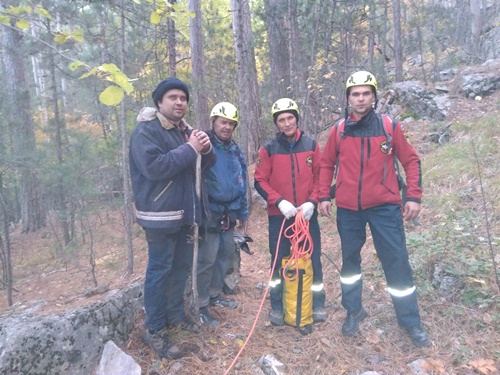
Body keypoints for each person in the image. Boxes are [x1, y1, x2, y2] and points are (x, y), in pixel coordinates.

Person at [318, 71, 430, 347]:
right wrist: (323, 195)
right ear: (348, 98)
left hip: (385, 207)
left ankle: (410, 321)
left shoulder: (389, 127)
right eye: (355, 93)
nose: (361, 98)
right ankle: (353, 311)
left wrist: (413, 195)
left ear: (374, 96)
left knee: (396, 261)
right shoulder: (339, 130)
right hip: (348, 210)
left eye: (366, 93)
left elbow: (411, 160)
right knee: (350, 263)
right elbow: (325, 164)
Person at [129, 77, 215, 359]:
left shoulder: (183, 131)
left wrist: (205, 146)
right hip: (159, 216)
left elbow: (205, 165)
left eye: (183, 98)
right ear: (159, 102)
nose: (179, 102)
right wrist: (191, 147)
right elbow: (155, 168)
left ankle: (176, 316)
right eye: (173, 98)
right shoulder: (146, 132)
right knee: (159, 271)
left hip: (185, 214)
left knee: (179, 268)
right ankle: (154, 329)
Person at [254, 98, 326, 326]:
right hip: (280, 217)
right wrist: (279, 202)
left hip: (306, 216)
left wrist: (313, 202)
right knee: (278, 261)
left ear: (297, 119)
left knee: (313, 259)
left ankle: (316, 303)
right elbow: (259, 181)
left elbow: (320, 176)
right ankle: (277, 305)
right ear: (276, 124)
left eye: (290, 118)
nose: (287, 123)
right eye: (281, 120)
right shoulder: (268, 149)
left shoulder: (311, 145)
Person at [196, 102, 249, 327]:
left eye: (230, 124)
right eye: (223, 122)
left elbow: (242, 180)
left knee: (225, 255)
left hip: (230, 213)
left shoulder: (235, 149)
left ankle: (215, 293)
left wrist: (244, 212)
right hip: (209, 212)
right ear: (214, 122)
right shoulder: (203, 146)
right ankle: (200, 305)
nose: (226, 127)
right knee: (206, 259)